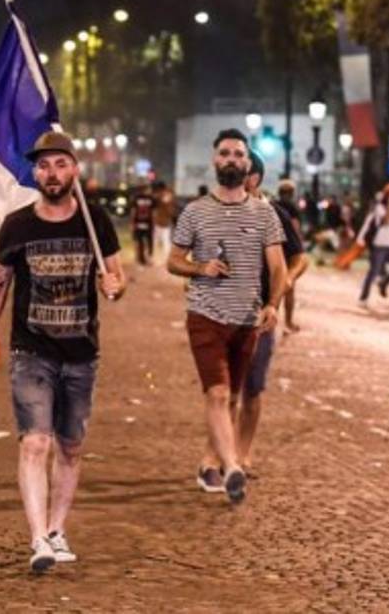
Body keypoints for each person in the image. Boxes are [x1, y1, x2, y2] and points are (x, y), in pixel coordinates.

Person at [0, 130, 124, 573]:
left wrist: (115, 287)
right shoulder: (17, 225)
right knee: (35, 442)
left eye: (59, 164)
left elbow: (116, 277)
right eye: (43, 166)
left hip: (81, 353)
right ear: (34, 173)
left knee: (70, 446)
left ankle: (57, 529)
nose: (51, 173)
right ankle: (38, 538)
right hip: (30, 352)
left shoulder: (96, 221)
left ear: (75, 169)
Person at [167, 129, 286, 506]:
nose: (232, 159)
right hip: (205, 315)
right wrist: (200, 268)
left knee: (232, 395)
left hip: (247, 320)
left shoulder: (264, 213)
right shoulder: (195, 211)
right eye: (225, 153)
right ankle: (232, 466)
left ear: (248, 164)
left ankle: (210, 462)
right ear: (215, 161)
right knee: (217, 393)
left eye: (238, 154)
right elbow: (172, 260)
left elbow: (279, 267)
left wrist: (273, 305)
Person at [236, 152, 307, 477]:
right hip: (225, 313)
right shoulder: (221, 212)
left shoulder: (274, 213)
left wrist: (285, 281)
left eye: (241, 172)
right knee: (223, 391)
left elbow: (299, 258)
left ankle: (243, 454)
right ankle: (221, 455)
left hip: (261, 314)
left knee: (253, 389)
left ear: (255, 178)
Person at [275, 179, 302, 331]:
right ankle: (288, 322)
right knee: (289, 287)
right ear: (291, 193)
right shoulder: (292, 208)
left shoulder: (273, 205)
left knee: (272, 284)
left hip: (273, 248)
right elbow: (295, 228)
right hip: (288, 250)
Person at [151, 181, 176, 266]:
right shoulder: (168, 194)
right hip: (164, 222)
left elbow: (162, 200)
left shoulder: (163, 195)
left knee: (159, 242)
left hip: (161, 221)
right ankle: (164, 260)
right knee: (165, 242)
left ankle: (157, 259)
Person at [131, 184, 154, 266]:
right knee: (147, 242)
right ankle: (145, 258)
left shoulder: (136, 198)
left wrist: (133, 223)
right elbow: (153, 212)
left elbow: (133, 211)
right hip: (146, 223)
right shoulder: (150, 198)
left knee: (141, 241)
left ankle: (142, 259)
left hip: (140, 223)